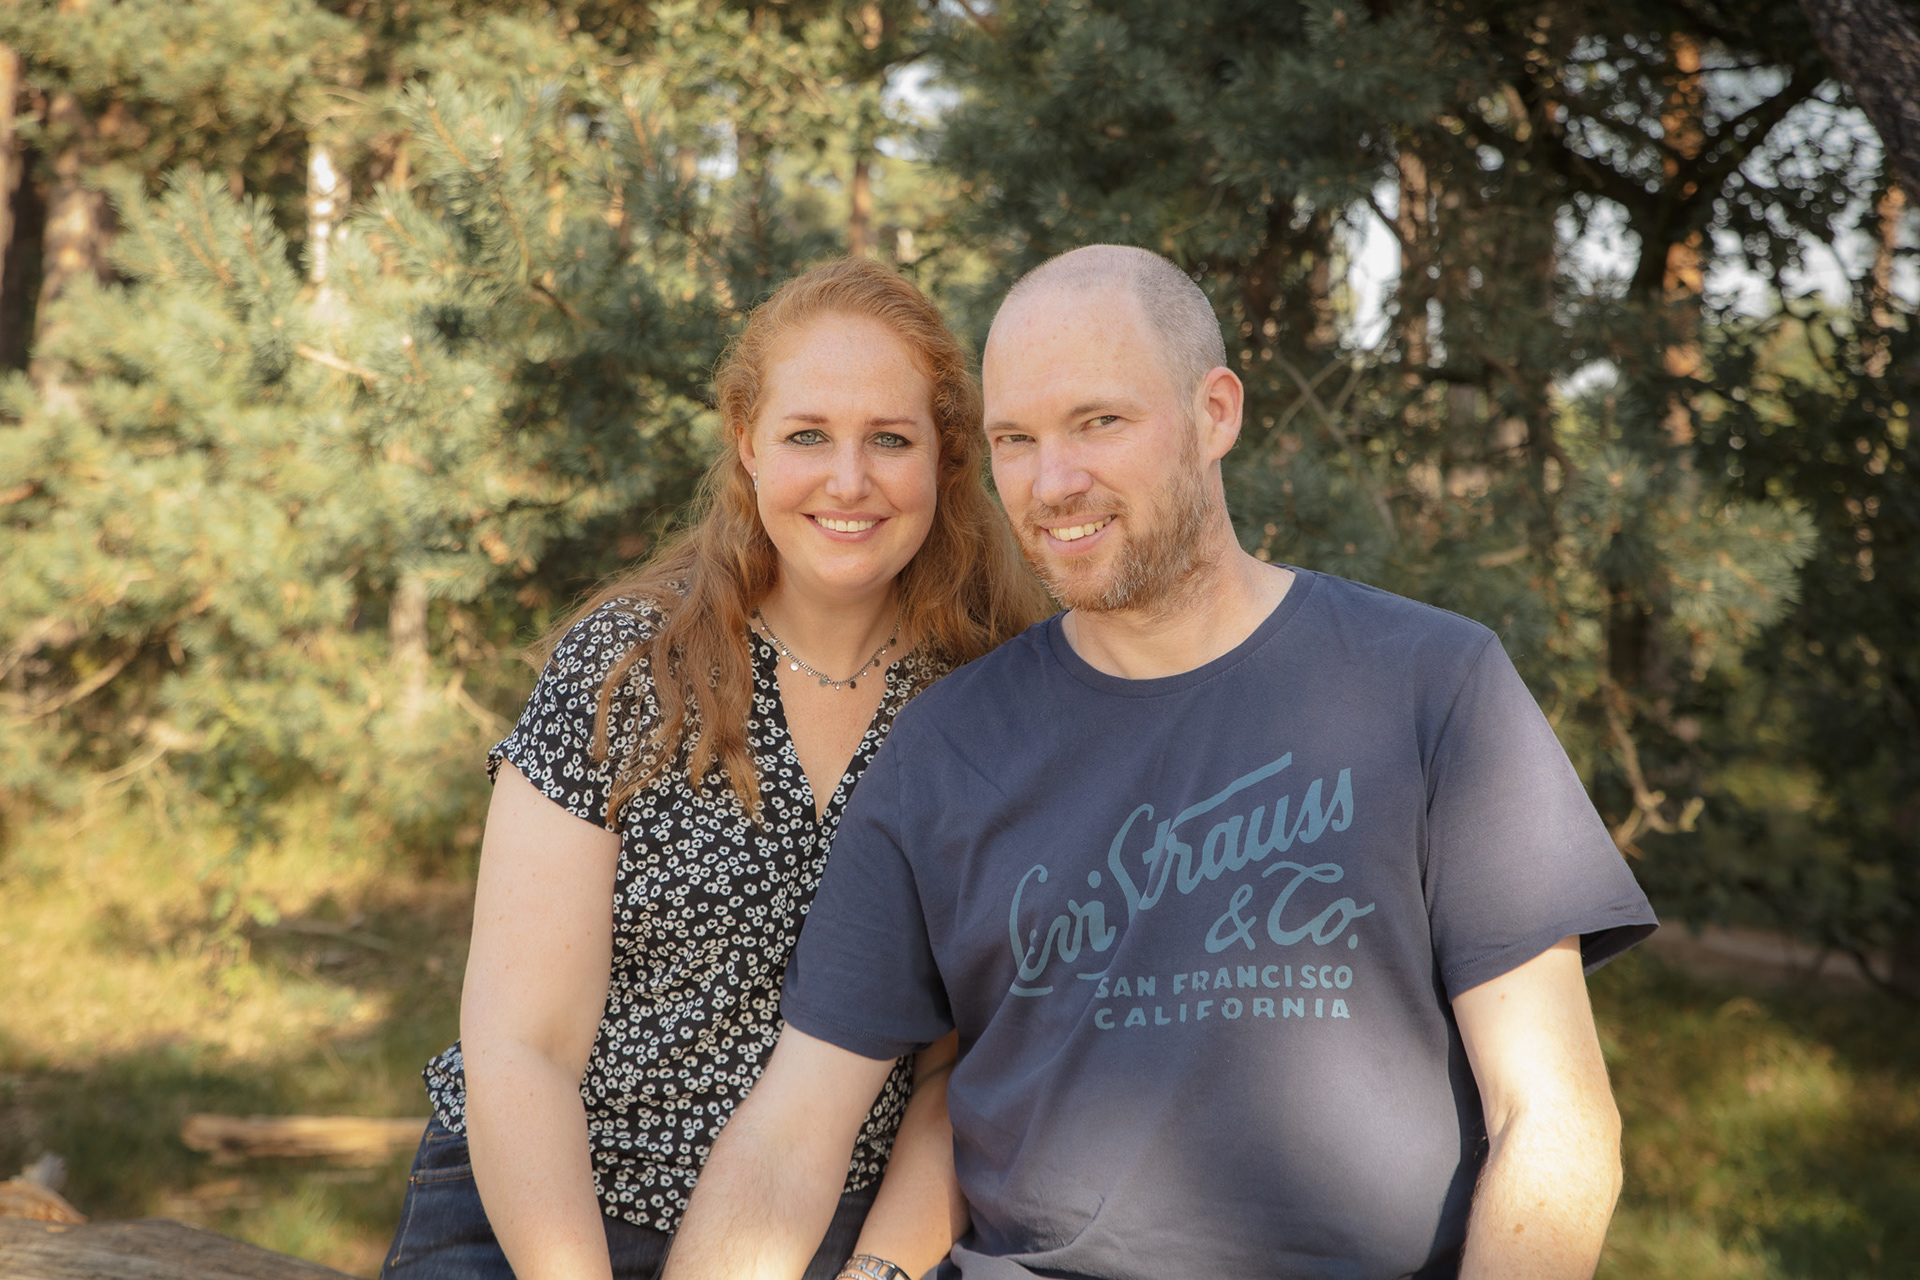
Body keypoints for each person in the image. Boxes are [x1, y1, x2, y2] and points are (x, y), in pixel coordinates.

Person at [662, 245, 1660, 1280]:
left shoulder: (1429, 683)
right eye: (1015, 439)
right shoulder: (945, 748)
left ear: (1215, 413)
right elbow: (792, 1134)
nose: (1054, 483)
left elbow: (1554, 1117)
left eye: (1099, 421)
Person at [380, 257, 1050, 1280]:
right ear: (746, 443)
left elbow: (958, 1077)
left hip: (825, 1238)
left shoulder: (986, 704)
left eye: (890, 439)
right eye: (807, 435)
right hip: (541, 1215)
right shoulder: (630, 666)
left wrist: (876, 1273)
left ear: (945, 457)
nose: (849, 479)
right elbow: (522, 1047)